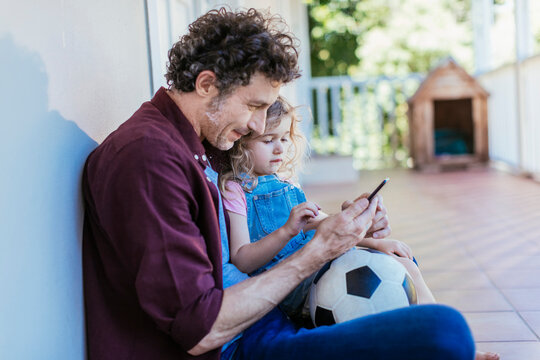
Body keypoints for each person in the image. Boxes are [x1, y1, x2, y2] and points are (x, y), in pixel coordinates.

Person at [82, 7, 495, 360]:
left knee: (399, 270)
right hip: (237, 344)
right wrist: (319, 250)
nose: (258, 127)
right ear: (206, 84)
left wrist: (354, 232)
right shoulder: (149, 159)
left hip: (265, 318)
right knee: (445, 331)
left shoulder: (197, 144)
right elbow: (199, 329)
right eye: (254, 106)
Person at [219, 96, 436, 321]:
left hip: (325, 263)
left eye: (284, 139)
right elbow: (241, 259)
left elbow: (325, 225)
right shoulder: (236, 190)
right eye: (268, 140)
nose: (279, 149)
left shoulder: (285, 182)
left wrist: (375, 242)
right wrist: (286, 231)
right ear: (242, 143)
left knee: (404, 264)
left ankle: (444, 337)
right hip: (293, 285)